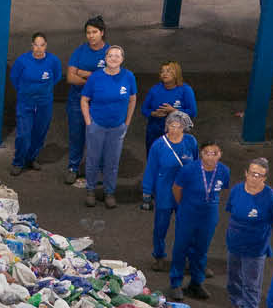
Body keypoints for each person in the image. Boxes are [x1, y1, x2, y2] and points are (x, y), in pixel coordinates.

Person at [222, 158, 273, 308]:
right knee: (233, 278)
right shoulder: (237, 190)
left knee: (251, 285)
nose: (254, 178)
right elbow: (231, 211)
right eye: (252, 174)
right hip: (234, 244)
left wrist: (261, 234)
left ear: (265, 178)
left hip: (255, 248)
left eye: (259, 175)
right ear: (246, 173)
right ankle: (236, 304)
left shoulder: (271, 198)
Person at [169, 139, 230, 300]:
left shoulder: (224, 171)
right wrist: (184, 206)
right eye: (207, 153)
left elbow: (220, 191)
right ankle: (175, 283)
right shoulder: (188, 170)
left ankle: (197, 282)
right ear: (201, 154)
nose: (210, 157)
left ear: (220, 154)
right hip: (188, 213)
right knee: (181, 247)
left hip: (209, 215)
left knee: (202, 249)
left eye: (214, 153)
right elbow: (176, 189)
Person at [80, 44, 137, 207]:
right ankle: (90, 190)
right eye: (110, 55)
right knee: (93, 160)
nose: (113, 58)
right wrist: (89, 123)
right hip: (97, 126)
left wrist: (126, 123)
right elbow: (84, 100)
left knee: (112, 162)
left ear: (122, 59)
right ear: (105, 58)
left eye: (117, 56)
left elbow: (132, 99)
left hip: (117, 128)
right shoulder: (95, 77)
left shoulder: (128, 76)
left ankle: (109, 192)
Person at [141, 110, 196, 265]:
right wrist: (147, 192)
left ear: (184, 127)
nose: (175, 130)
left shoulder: (191, 142)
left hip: (185, 193)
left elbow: (196, 165)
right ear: (167, 126)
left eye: (179, 126)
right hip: (164, 192)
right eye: (172, 126)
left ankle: (186, 257)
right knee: (160, 227)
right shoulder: (158, 146)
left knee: (186, 227)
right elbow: (151, 169)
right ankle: (159, 256)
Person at [63, 16, 110, 185]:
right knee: (76, 136)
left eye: (94, 32)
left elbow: (110, 79)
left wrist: (84, 73)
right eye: (88, 32)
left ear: (102, 32)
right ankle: (73, 167)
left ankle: (98, 170)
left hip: (99, 104)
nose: (91, 36)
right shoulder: (80, 51)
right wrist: (94, 80)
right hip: (77, 101)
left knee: (98, 137)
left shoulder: (110, 53)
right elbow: (70, 77)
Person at [9, 31, 62, 175]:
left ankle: (31, 158)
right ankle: (18, 162)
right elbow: (14, 78)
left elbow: (56, 77)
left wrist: (43, 91)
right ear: (32, 45)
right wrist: (26, 92)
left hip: (44, 104)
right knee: (23, 134)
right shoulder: (22, 61)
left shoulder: (53, 61)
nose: (39, 48)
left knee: (39, 133)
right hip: (25, 103)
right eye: (36, 45)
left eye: (42, 45)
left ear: (46, 46)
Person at [141, 60, 198, 150]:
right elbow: (144, 109)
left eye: (168, 71)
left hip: (177, 133)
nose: (164, 74)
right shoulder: (155, 89)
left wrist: (173, 111)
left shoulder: (185, 90)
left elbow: (192, 112)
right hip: (154, 132)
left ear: (176, 73)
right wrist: (154, 114)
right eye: (162, 71)